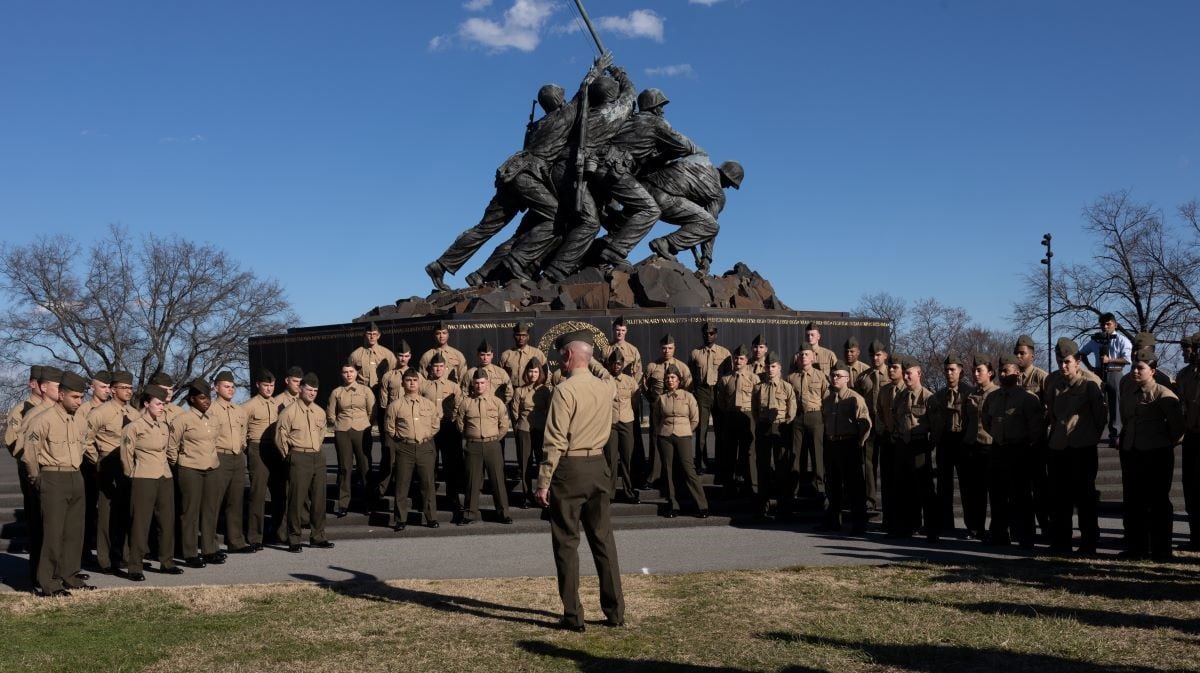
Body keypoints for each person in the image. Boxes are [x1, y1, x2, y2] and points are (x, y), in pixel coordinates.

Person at [534, 329, 624, 631]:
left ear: (567, 355)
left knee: (566, 544)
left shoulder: (564, 390)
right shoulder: (606, 387)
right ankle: (615, 612)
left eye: (562, 354)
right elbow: (602, 374)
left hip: (570, 469)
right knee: (603, 542)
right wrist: (591, 359)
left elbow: (555, 440)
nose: (559, 360)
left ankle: (573, 615)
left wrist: (543, 480)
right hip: (599, 466)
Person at [21, 370, 97, 596]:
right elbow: (29, 455)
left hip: (75, 476)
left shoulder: (80, 422)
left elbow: (83, 446)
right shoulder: (41, 420)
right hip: (52, 477)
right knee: (52, 533)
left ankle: (70, 575)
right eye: (74, 397)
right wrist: (38, 479)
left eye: (81, 397)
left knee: (75, 532)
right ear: (61, 394)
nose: (79, 401)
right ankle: (49, 582)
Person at [1119, 349, 1184, 560]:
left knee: (1158, 503)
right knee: (1134, 502)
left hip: (1156, 454)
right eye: (1133, 367)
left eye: (1140, 368)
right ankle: (1136, 547)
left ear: (1153, 371)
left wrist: (1163, 443)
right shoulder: (1129, 393)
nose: (1135, 372)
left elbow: (1177, 429)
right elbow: (1127, 421)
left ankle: (1161, 549)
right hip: (1133, 453)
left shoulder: (1164, 395)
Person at [1045, 338, 1106, 555]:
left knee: (1085, 498)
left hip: (1083, 447)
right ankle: (1061, 541)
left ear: (1078, 360)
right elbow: (1052, 413)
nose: (1063, 366)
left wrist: (1088, 436)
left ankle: (1088, 542)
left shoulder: (1091, 383)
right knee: (1059, 497)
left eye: (1067, 361)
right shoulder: (1053, 381)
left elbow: (1100, 417)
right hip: (1059, 447)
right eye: (1059, 361)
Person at [981, 354, 1045, 548]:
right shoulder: (993, 397)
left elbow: (1036, 428)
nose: (1002, 374)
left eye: (1006, 370)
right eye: (1000, 370)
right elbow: (987, 422)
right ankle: (999, 535)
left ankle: (1025, 536)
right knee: (998, 496)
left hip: (1020, 451)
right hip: (999, 450)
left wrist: (1026, 446)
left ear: (1017, 372)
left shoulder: (1028, 398)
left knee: (1022, 497)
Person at [120, 384, 183, 580]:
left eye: (163, 404)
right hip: (144, 477)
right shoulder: (133, 427)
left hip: (164, 476)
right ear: (146, 404)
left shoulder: (164, 426)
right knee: (140, 523)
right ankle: (135, 566)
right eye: (157, 403)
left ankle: (167, 561)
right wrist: (133, 474)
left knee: (166, 521)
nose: (161, 407)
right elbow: (126, 456)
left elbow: (166, 451)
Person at [641, 156, 743, 274]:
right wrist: (706, 258)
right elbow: (709, 225)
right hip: (664, 199)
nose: (729, 187)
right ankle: (666, 244)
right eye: (731, 183)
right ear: (727, 178)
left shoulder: (699, 165)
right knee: (711, 226)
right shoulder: (718, 194)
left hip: (643, 188)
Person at [275, 373, 335, 553]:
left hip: (317, 456)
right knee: (296, 500)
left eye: (315, 391)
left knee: (319, 499)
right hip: (299, 457)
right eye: (309, 389)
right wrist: (290, 457)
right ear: (301, 389)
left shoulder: (319, 411)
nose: (312, 393)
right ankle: (294, 538)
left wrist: (315, 448)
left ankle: (318, 536)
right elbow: (280, 437)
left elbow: (322, 433)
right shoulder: (288, 412)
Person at [84, 370, 137, 573]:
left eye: (131, 388)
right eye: (124, 388)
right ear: (113, 390)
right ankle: (104, 560)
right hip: (108, 463)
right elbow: (85, 439)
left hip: (129, 466)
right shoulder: (100, 412)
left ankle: (123, 555)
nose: (129, 391)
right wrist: (96, 461)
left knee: (125, 512)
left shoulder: (134, 413)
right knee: (106, 514)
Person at [170, 379, 224, 568]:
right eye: (201, 398)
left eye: (208, 397)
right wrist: (181, 466)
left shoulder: (213, 419)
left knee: (210, 511)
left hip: (212, 469)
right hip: (190, 469)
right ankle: (190, 553)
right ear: (192, 399)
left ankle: (209, 549)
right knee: (190, 513)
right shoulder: (182, 420)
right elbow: (172, 447)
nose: (206, 401)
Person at [383, 368, 441, 531]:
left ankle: (431, 518)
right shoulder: (395, 405)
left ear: (419, 382)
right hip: (404, 448)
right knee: (402, 485)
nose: (412, 383)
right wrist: (401, 439)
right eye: (408, 380)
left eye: (415, 380)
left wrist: (427, 435)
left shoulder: (428, 404)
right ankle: (401, 519)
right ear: (403, 383)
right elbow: (390, 427)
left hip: (425, 448)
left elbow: (436, 424)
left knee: (427, 484)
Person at [454, 369, 513, 526]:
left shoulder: (497, 402)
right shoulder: (466, 403)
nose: (479, 386)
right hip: (473, 445)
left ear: (487, 383)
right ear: (473, 384)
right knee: (472, 480)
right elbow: (460, 423)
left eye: (482, 383)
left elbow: (504, 424)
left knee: (498, 480)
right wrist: (471, 435)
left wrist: (494, 439)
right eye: (477, 383)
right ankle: (469, 513)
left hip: (492, 444)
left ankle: (503, 513)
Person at [819, 363, 872, 534]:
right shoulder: (828, 399)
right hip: (832, 444)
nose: (835, 378)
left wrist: (858, 443)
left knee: (854, 486)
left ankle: (859, 524)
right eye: (833, 375)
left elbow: (865, 424)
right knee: (832, 485)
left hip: (849, 444)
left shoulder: (855, 398)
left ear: (847, 379)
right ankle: (833, 521)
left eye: (839, 376)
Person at [889, 357, 937, 540]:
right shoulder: (900, 396)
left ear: (919, 374)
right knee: (903, 488)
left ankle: (932, 529)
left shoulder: (928, 397)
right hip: (903, 444)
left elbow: (936, 426)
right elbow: (895, 418)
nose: (906, 377)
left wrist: (928, 446)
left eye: (910, 373)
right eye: (905, 373)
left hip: (919, 445)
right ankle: (906, 527)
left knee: (925, 489)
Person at [654, 365, 709, 518]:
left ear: (679, 380)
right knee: (669, 470)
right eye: (667, 378)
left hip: (683, 435)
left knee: (688, 469)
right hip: (665, 436)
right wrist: (661, 432)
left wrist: (686, 431)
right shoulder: (661, 399)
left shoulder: (688, 397)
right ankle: (673, 505)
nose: (670, 380)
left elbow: (695, 418)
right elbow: (657, 417)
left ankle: (702, 505)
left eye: (673, 378)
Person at [928, 355, 972, 536]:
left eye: (952, 369)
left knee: (967, 486)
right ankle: (946, 524)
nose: (949, 373)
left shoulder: (969, 393)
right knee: (944, 486)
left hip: (963, 440)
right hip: (945, 441)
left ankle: (972, 525)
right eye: (946, 369)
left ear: (960, 371)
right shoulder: (939, 395)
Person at [327, 361, 377, 516]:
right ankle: (343, 504)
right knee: (344, 468)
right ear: (341, 374)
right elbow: (330, 414)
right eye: (345, 372)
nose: (348, 374)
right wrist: (340, 424)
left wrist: (364, 423)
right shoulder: (336, 392)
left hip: (362, 430)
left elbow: (372, 411)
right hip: (343, 431)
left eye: (351, 371)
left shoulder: (365, 390)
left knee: (365, 466)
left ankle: (369, 502)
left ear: (356, 373)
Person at [210, 371, 252, 554]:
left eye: (233, 386)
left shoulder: (239, 410)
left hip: (237, 457)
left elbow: (243, 432)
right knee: (214, 501)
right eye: (226, 386)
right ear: (216, 388)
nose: (231, 390)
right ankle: (210, 544)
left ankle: (236, 541)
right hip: (220, 456)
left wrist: (242, 446)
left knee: (236, 501)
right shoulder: (210, 410)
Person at [751, 352, 796, 520]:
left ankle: (784, 507)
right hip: (763, 427)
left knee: (782, 467)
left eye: (774, 366)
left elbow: (792, 411)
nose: (770, 369)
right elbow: (754, 409)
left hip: (780, 428)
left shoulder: (786, 387)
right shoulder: (758, 388)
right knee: (762, 466)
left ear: (779, 368)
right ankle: (763, 506)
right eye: (768, 366)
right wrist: (761, 423)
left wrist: (783, 424)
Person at [1079, 312, 1133, 447]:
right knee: (1096, 404)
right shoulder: (1095, 340)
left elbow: (1127, 359)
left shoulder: (1122, 340)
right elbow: (1082, 353)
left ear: (1115, 324)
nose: (1105, 327)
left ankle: (1115, 435)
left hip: (1115, 373)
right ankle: (1093, 432)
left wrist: (1110, 360)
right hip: (1098, 374)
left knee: (1116, 405)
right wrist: (1090, 368)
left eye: (1108, 324)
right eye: (1103, 324)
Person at [242, 368, 281, 549]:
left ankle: (279, 532)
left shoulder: (277, 404)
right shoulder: (248, 406)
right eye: (266, 385)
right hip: (257, 447)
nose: (269, 389)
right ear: (258, 385)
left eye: (272, 385)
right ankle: (255, 537)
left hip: (275, 448)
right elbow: (241, 431)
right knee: (257, 494)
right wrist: (248, 449)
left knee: (279, 491)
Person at [422, 353, 465, 518]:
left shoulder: (453, 386)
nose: (438, 369)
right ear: (431, 368)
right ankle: (429, 501)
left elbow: (460, 406)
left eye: (441, 366)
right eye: (435, 366)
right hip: (429, 430)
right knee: (429, 466)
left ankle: (453, 499)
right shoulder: (424, 386)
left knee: (450, 466)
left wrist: (454, 421)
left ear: (446, 368)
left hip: (448, 428)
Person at [960, 356, 998, 540]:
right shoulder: (970, 395)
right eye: (974, 370)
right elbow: (965, 421)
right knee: (972, 491)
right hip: (971, 446)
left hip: (989, 446)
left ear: (990, 373)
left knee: (993, 490)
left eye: (979, 370)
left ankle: (996, 528)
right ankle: (974, 527)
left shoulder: (996, 394)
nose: (975, 374)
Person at [688, 321, 731, 475]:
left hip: (718, 392)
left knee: (721, 430)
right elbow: (690, 375)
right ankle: (700, 462)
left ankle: (721, 463)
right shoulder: (695, 353)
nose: (708, 335)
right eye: (706, 333)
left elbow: (728, 377)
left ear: (716, 334)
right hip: (702, 392)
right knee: (701, 430)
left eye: (711, 333)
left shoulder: (725, 354)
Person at [788, 342, 828, 504]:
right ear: (797, 357)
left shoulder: (821, 376)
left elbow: (827, 398)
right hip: (797, 418)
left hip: (815, 416)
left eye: (807, 354)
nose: (804, 357)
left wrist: (823, 419)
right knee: (796, 454)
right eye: (801, 354)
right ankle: (795, 488)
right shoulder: (791, 377)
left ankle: (820, 488)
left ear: (813, 357)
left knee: (817, 454)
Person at [512, 358, 553, 508]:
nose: (533, 374)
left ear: (540, 373)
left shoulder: (544, 390)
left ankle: (544, 493)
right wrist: (519, 426)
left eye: (536, 371)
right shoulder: (519, 390)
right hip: (524, 429)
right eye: (530, 371)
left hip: (540, 429)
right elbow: (515, 412)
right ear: (526, 373)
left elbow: (549, 410)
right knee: (525, 463)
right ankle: (526, 495)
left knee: (543, 461)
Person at [854, 340, 889, 511]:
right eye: (872, 355)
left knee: (889, 464)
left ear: (885, 356)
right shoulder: (863, 377)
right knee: (868, 463)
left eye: (878, 355)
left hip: (887, 424)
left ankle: (890, 499)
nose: (875, 358)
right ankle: (870, 499)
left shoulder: (892, 375)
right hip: (869, 424)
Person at [716, 345, 756, 492]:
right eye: (736, 358)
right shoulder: (725, 379)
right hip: (731, 416)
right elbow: (720, 400)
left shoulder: (754, 378)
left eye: (742, 358)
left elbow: (758, 400)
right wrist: (727, 411)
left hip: (747, 416)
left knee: (747, 452)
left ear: (746, 360)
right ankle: (729, 485)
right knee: (730, 451)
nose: (738, 361)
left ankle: (748, 484)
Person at [604, 351, 639, 504]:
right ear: (609, 364)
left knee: (628, 458)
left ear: (622, 365)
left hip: (626, 422)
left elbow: (636, 402)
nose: (616, 366)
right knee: (610, 459)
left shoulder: (630, 381)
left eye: (619, 363)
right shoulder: (603, 381)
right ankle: (610, 493)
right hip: (610, 423)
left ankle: (629, 491)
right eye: (613, 363)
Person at [1178, 332, 1200, 551]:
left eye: (1189, 349)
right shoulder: (1184, 375)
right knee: (1190, 487)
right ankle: (1195, 536)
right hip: (1191, 437)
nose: (1185, 352)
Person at [499, 322, 541, 386]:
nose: (521, 338)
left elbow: (546, 375)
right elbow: (499, 376)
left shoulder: (537, 353)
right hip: (511, 391)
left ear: (528, 337)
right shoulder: (506, 355)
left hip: (531, 392)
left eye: (524, 335)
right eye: (518, 335)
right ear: (514, 336)